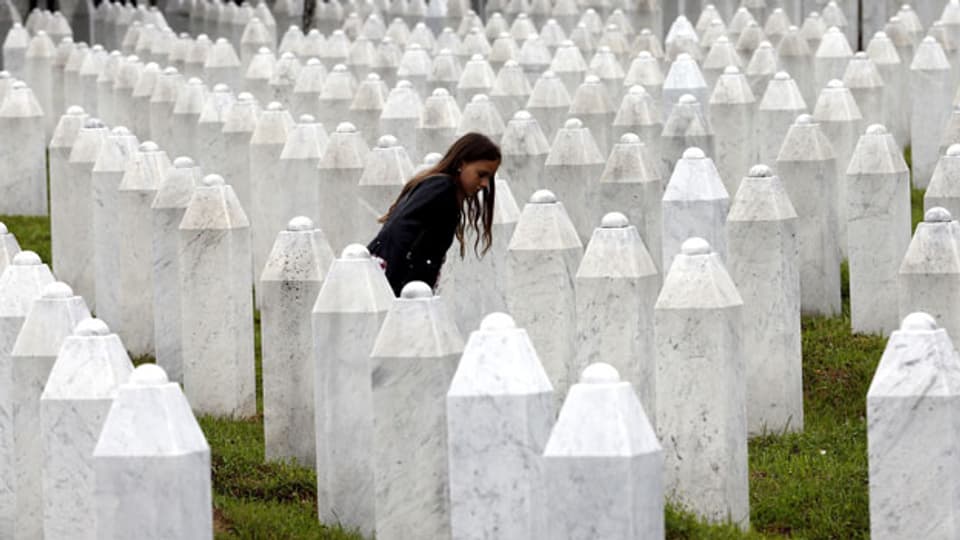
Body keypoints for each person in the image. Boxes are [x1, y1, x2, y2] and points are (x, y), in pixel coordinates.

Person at [368, 133, 501, 296]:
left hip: (391, 278)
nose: (485, 184)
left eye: (490, 177)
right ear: (461, 164)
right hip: (395, 282)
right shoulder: (443, 189)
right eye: (481, 174)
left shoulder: (439, 186)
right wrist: (405, 289)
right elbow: (400, 232)